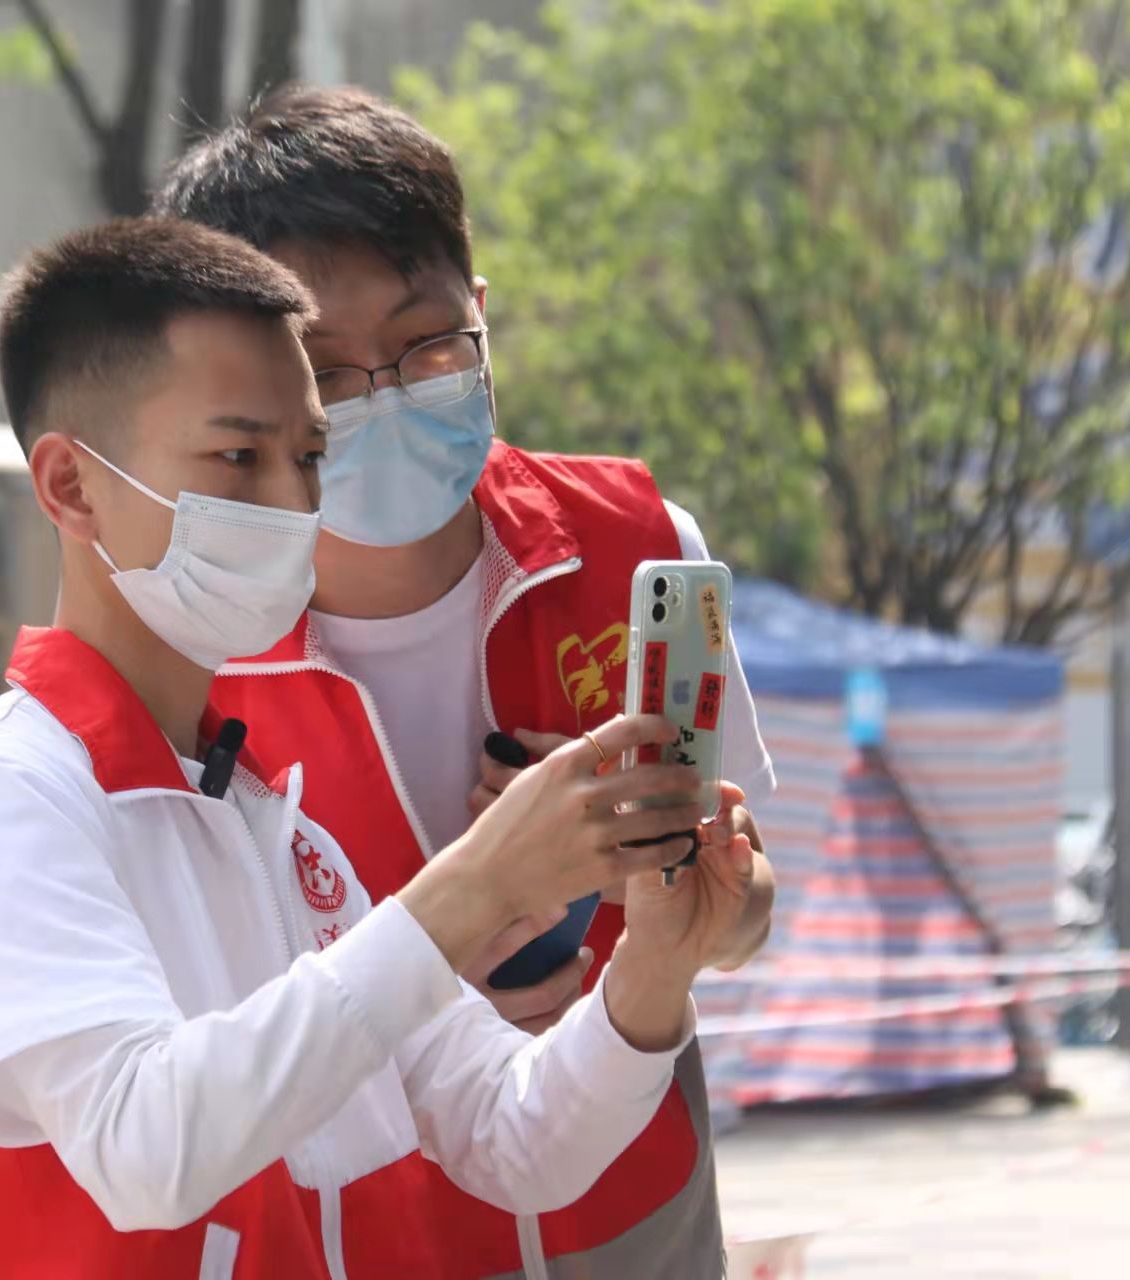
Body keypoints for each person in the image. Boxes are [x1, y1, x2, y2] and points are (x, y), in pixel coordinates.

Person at [0, 218, 761, 1276]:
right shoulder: (5, 794)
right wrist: (473, 888)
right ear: (71, 484)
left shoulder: (268, 820)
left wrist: (657, 959)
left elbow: (517, 1136)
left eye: (308, 456)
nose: (292, 503)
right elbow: (143, 1143)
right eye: (237, 456)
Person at [157, 85, 776, 1272]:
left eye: (427, 345)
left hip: (634, 1210)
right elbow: (196, 1049)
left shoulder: (639, 549)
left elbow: (747, 912)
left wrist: (676, 896)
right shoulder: (193, 649)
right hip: (370, 1229)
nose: (385, 393)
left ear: (480, 313)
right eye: (327, 371)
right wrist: (439, 962)